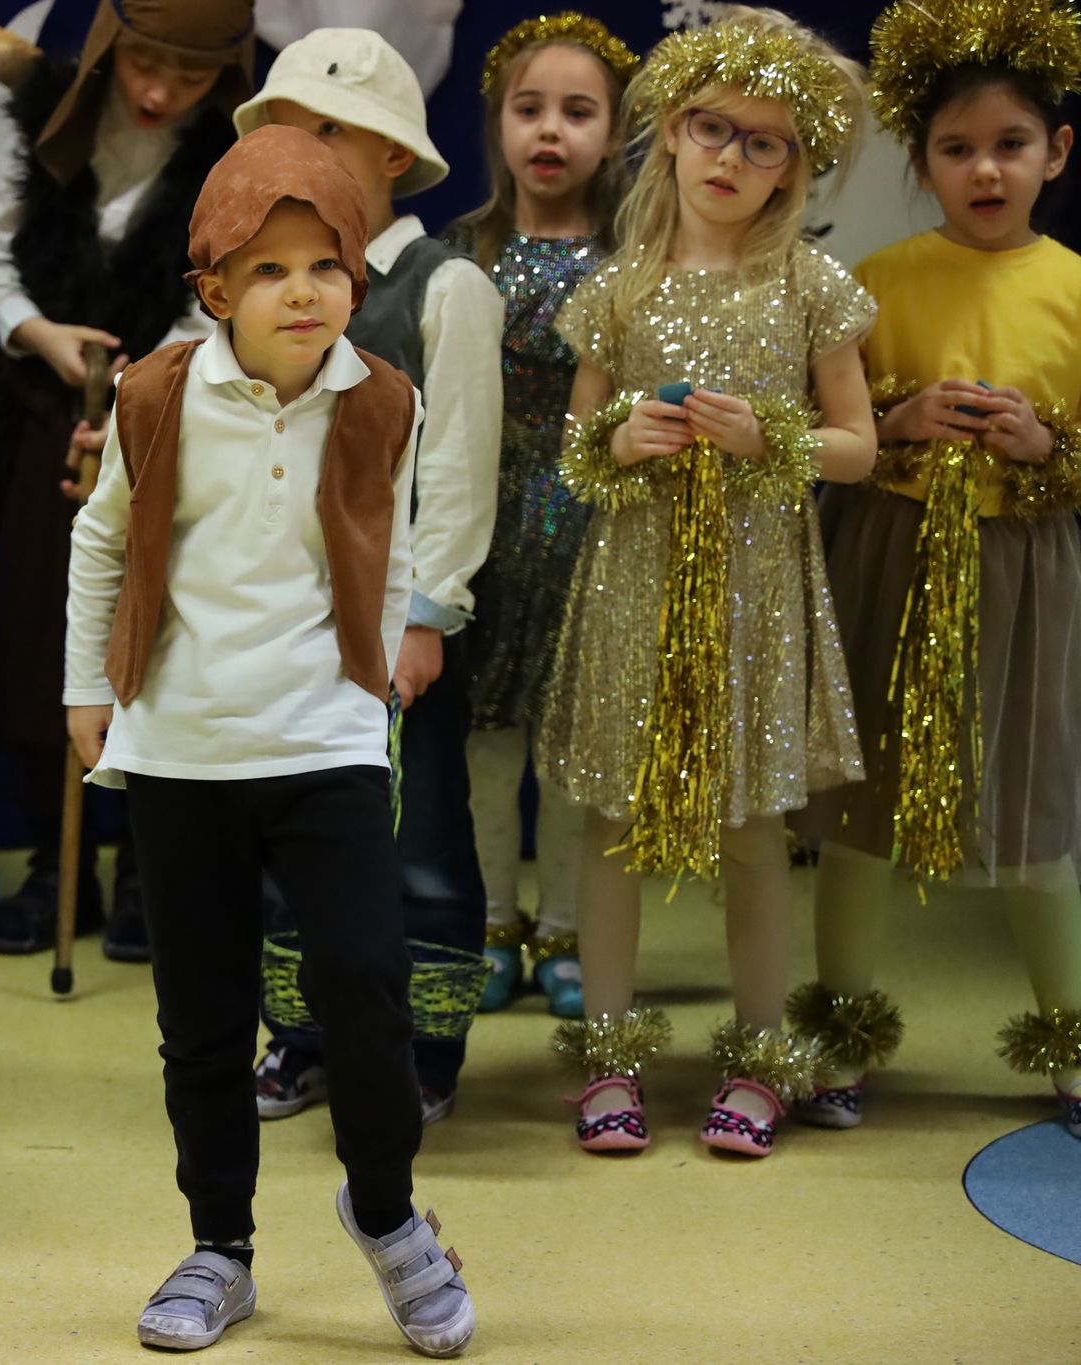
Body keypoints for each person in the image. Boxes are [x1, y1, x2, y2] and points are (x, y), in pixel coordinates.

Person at [65, 125, 474, 1357]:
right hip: (181, 746)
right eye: (268, 271)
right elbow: (101, 541)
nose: (302, 293)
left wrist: (372, 686)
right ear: (213, 290)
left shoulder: (383, 399)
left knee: (364, 986)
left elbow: (386, 549)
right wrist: (86, 690)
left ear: (354, 276)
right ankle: (219, 1248)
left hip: (323, 738)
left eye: (324, 267)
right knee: (200, 1016)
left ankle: (388, 1215)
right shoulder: (156, 396)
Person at [538, 7, 876, 1158]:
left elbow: (858, 447)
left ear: (792, 164)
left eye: (762, 141)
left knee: (750, 826)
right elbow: (574, 449)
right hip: (634, 585)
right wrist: (619, 441)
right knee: (612, 818)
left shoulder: (808, 285)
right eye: (712, 129)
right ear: (672, 134)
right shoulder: (618, 288)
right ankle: (608, 1058)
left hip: (754, 596)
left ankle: (758, 1056)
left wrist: (769, 437)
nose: (730, 157)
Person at [793, 0, 1081, 1141]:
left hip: (1026, 575)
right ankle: (840, 1035)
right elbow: (831, 428)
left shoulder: (1071, 285)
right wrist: (900, 418)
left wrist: (1046, 444)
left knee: (1035, 796)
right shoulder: (876, 281)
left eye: (1010, 144)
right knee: (863, 798)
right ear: (920, 163)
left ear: (1056, 152)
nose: (984, 169)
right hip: (890, 556)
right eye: (956, 149)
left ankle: (1066, 1042)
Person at [231, 29, 504, 1126]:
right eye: (285, 132)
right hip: (278, 615)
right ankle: (300, 1038)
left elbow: (460, 463)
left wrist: (427, 614)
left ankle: (422, 1051)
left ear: (392, 154)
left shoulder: (444, 288)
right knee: (286, 833)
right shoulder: (260, 285)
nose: (301, 153)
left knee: (416, 836)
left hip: (392, 622)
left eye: (327, 131)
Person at [0, 0, 255, 961]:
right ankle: (59, 866)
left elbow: (225, 294)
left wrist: (145, 386)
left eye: (191, 77)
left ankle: (143, 870)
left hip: (177, 421)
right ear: (108, 51)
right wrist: (40, 333)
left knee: (156, 638)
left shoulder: (227, 155)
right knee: (42, 636)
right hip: (48, 412)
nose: (162, 93)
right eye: (144, 67)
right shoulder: (48, 123)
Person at [444, 13, 637, 1020]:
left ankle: (565, 928)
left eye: (577, 111)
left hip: (592, 522)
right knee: (485, 744)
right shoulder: (459, 254)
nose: (550, 131)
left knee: (569, 744)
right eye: (529, 109)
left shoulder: (635, 263)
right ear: (497, 126)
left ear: (615, 131)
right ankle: (489, 924)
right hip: (481, 523)